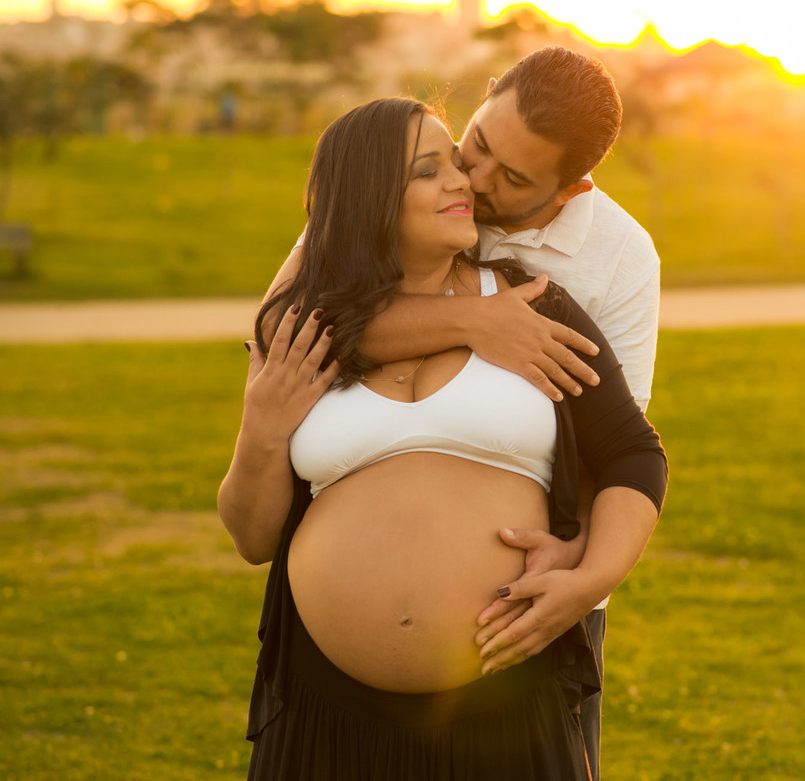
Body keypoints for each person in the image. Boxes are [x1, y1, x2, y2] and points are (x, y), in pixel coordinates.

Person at [218, 97, 667, 779]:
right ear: (370, 197)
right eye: (435, 169)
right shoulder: (306, 333)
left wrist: (590, 576)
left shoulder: (536, 304)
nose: (467, 182)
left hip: (506, 700)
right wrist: (262, 427)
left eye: (457, 165)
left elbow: (633, 453)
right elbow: (253, 539)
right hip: (325, 712)